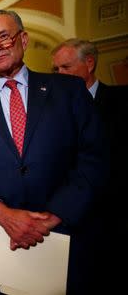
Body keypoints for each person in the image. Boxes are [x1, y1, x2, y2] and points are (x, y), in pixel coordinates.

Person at [0, 10, 108, 294]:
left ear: (23, 39)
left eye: (3, 36)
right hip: (2, 244)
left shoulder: (68, 90)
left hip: (67, 238)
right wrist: (1, 213)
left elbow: (94, 158)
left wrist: (53, 216)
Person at [51, 38, 128, 293]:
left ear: (90, 63)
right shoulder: (54, 114)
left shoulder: (122, 101)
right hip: (74, 227)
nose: (60, 75)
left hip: (117, 221)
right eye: (56, 70)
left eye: (65, 67)